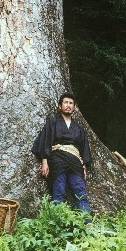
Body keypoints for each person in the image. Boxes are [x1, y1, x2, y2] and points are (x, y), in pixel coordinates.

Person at [32, 92, 92, 223]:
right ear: (60, 106)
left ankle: (87, 223)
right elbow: (46, 141)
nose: (68, 105)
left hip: (75, 163)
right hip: (57, 160)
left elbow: (83, 148)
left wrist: (84, 166)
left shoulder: (79, 128)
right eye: (66, 102)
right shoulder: (53, 122)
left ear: (74, 107)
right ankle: (57, 223)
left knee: (80, 192)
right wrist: (44, 160)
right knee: (58, 192)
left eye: (71, 103)